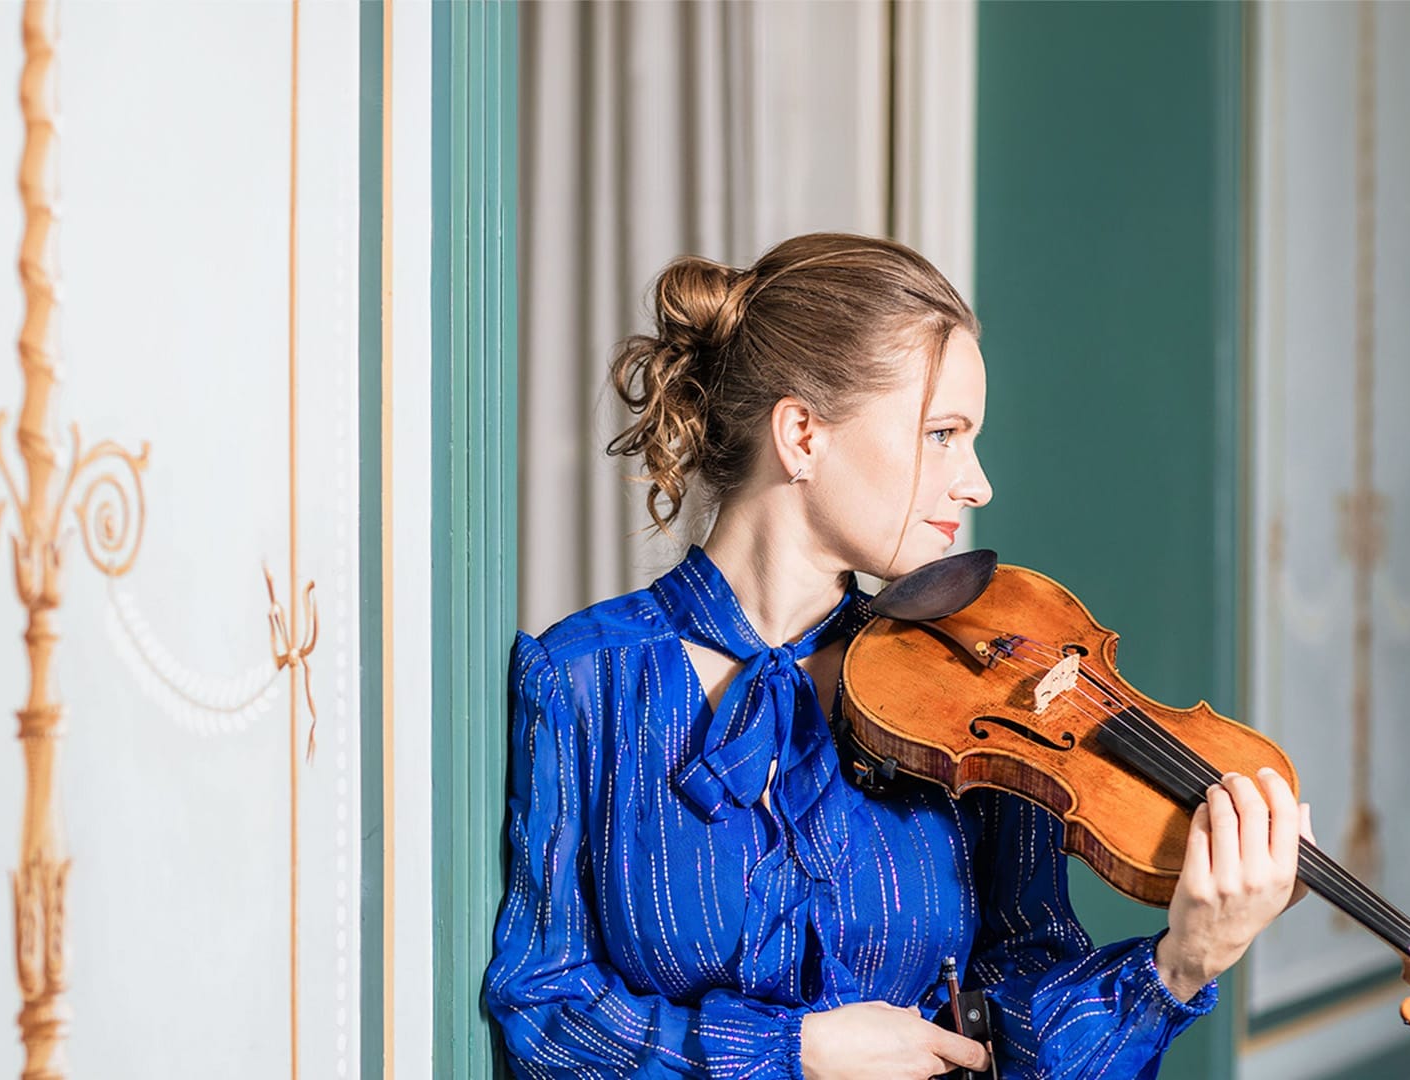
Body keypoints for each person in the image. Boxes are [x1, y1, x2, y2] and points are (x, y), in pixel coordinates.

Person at [485, 233, 1310, 1079]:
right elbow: (543, 1008)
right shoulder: (585, 680)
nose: (977, 483)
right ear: (802, 435)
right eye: (943, 433)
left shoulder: (973, 693)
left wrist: (1180, 967)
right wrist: (793, 1053)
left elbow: (1019, 1031)